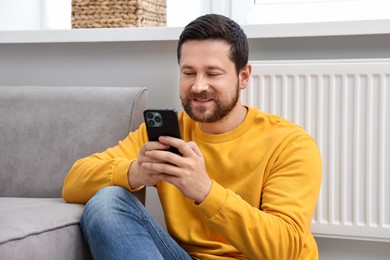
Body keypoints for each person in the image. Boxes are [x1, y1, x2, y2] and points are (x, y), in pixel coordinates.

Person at [62, 14, 322, 260]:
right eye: (189, 73)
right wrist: (137, 172)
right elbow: (74, 183)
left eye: (213, 73)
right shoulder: (167, 135)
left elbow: (284, 251)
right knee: (107, 203)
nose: (198, 86)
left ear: (243, 77)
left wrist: (205, 191)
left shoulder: (290, 144)